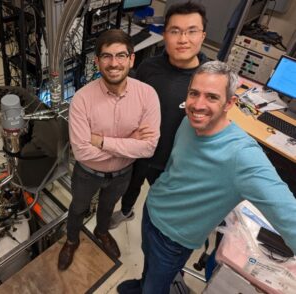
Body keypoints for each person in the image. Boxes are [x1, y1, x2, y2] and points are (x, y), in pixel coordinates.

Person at [117, 60, 296, 294]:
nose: (198, 105)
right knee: (148, 266)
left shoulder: (243, 156)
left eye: (211, 97)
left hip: (174, 239)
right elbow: (175, 167)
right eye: (194, 93)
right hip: (152, 211)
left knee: (156, 287)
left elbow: (288, 213)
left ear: (229, 103)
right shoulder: (188, 122)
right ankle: (142, 283)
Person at [58, 29, 161, 271]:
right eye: (106, 56)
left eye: (120, 55)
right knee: (78, 207)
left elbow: (148, 147)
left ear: (131, 59)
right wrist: (129, 142)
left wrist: (102, 141)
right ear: (97, 61)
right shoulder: (82, 99)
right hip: (86, 173)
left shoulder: (147, 95)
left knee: (107, 207)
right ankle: (72, 239)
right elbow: (82, 152)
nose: (114, 63)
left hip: (122, 175)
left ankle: (102, 232)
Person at [110, 1, 209, 228]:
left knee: (163, 203)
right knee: (132, 185)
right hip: (141, 150)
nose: (183, 39)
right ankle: (126, 211)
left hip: (174, 161)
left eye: (191, 31)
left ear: (203, 35)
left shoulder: (210, 79)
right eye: (175, 31)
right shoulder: (149, 68)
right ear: (164, 34)